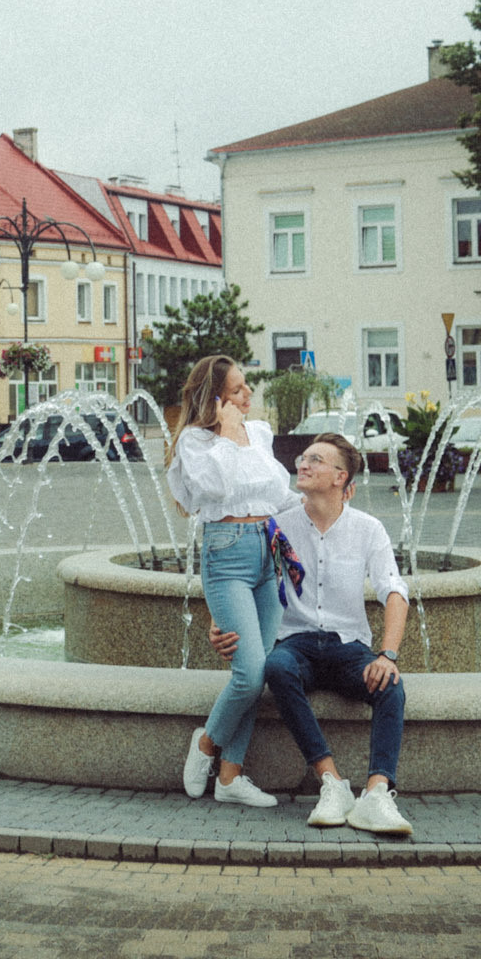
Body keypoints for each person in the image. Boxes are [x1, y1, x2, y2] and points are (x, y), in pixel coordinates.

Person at [210, 431, 414, 835]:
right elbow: (242, 579)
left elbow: (394, 590)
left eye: (316, 460)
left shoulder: (368, 529)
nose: (303, 464)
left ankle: (377, 794)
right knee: (276, 667)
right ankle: (332, 783)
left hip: (348, 647)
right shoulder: (276, 526)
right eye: (303, 458)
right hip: (296, 644)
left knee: (391, 685)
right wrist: (221, 622)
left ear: (341, 478)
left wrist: (387, 654)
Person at [164, 355, 302, 809]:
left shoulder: (259, 433)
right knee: (248, 673)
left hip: (268, 551)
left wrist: (323, 502)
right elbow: (212, 490)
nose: (248, 395)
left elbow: (277, 496)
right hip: (227, 552)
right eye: (238, 390)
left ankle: (230, 776)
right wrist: (224, 433)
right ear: (216, 398)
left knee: (260, 671)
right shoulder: (196, 441)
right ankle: (206, 743)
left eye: (247, 387)